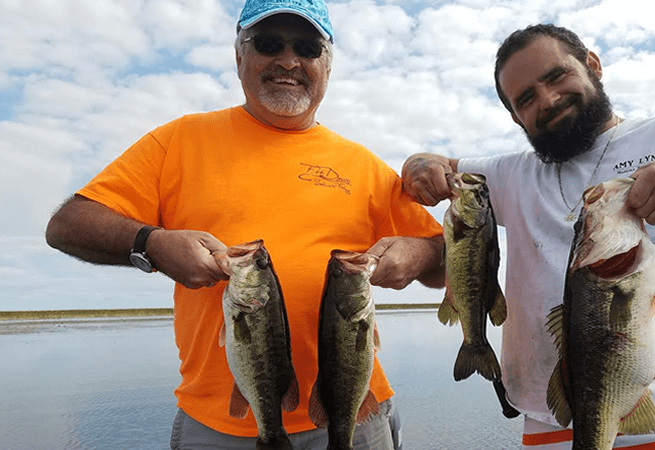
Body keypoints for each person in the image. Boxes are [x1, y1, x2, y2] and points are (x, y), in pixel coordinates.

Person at [45, 0, 445, 449]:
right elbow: (68, 224)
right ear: (239, 56)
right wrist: (152, 243)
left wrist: (424, 252)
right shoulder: (178, 141)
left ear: (327, 66)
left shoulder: (365, 166)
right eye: (270, 43)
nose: (289, 61)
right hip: (215, 426)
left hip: (355, 414)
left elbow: (449, 266)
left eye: (308, 47)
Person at [402, 23, 655, 450]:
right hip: (544, 427)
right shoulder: (511, 174)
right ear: (516, 117)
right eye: (527, 99)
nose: (548, 100)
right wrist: (421, 167)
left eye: (556, 77)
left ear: (592, 64)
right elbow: (429, 161)